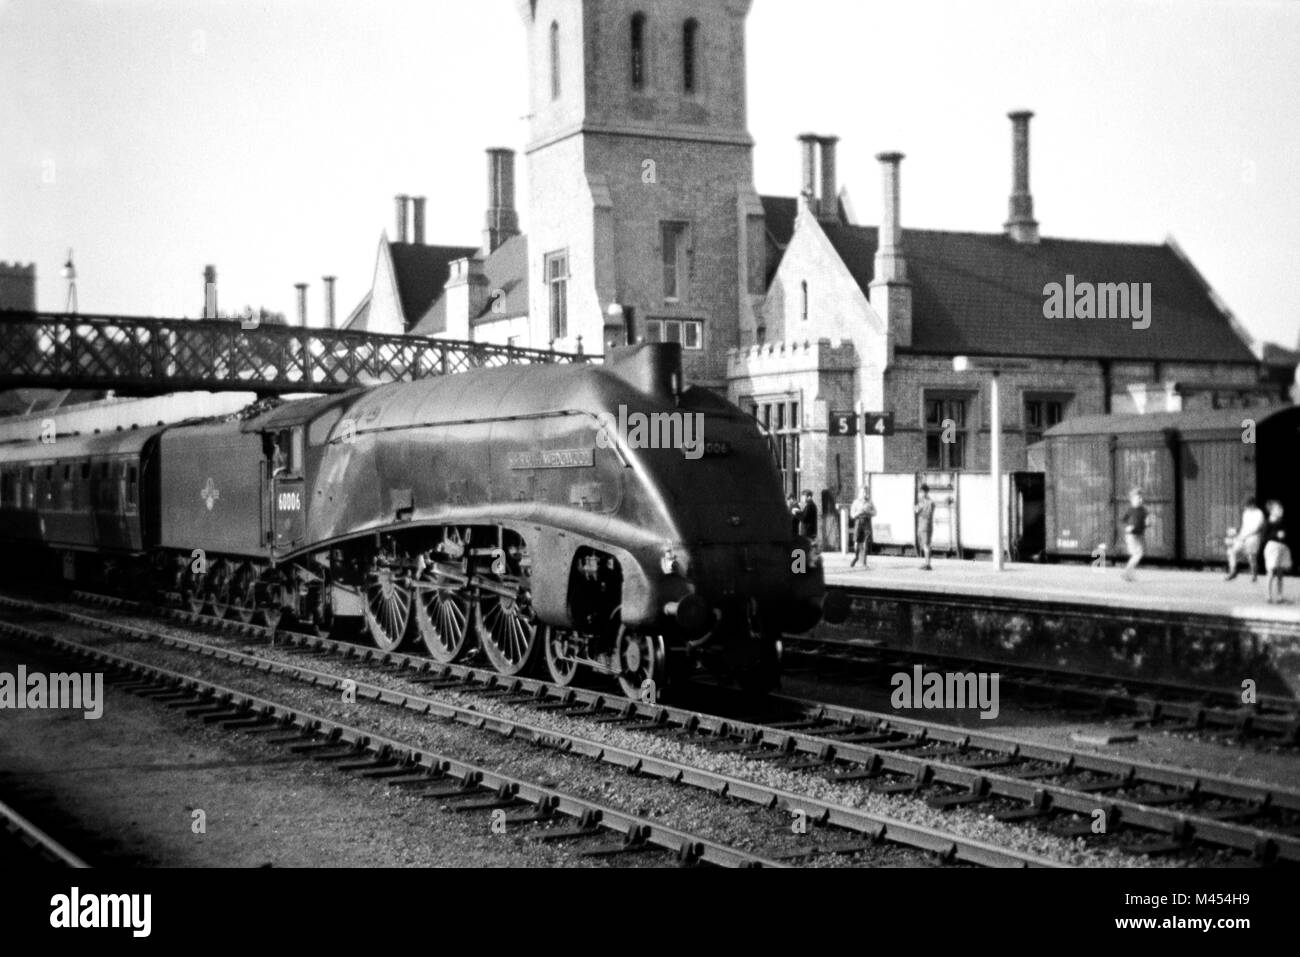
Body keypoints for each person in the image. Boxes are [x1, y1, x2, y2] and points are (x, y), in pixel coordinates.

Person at [1225, 496, 1266, 582]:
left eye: (1246, 505)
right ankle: (1233, 571)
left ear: (1252, 505)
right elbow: (1244, 526)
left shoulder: (1259, 513)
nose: (1245, 507)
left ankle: (1254, 576)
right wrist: (1236, 532)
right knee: (1232, 551)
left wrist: (1246, 535)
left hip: (1253, 538)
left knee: (1251, 557)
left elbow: (1257, 528)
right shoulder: (1246, 513)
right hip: (1242, 537)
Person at [1262, 500, 1290, 604]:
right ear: (1272, 511)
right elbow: (1264, 538)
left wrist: (1283, 536)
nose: (1281, 510)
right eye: (1279, 509)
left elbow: (1285, 534)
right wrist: (1276, 535)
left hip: (1281, 547)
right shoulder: (1268, 523)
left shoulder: (1281, 522)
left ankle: (1279, 596)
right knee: (1270, 571)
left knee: (1280, 573)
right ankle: (1268, 595)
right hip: (1272, 548)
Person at [1121, 487, 1147, 582]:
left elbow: (1144, 522)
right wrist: (1128, 527)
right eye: (1138, 498)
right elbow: (1123, 520)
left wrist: (1147, 524)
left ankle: (1128, 574)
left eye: (1141, 498)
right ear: (1132, 499)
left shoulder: (1143, 510)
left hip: (1140, 535)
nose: (1140, 500)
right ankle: (1127, 573)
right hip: (1131, 535)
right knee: (1137, 554)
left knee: (1137, 555)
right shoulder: (1130, 510)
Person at [849, 489, 876, 568]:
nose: (864, 494)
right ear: (859, 493)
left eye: (866, 492)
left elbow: (875, 512)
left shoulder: (869, 502)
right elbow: (852, 515)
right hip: (858, 521)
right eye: (863, 492)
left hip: (867, 521)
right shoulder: (856, 502)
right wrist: (859, 512)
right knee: (857, 541)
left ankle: (864, 562)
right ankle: (856, 557)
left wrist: (868, 512)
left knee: (866, 542)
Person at [914, 484, 935, 570]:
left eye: (922, 492)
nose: (921, 493)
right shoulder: (928, 502)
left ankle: (927, 564)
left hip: (925, 525)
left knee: (926, 545)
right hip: (925, 525)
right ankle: (927, 563)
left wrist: (919, 507)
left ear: (925, 492)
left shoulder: (926, 502)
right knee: (926, 545)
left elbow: (917, 511)